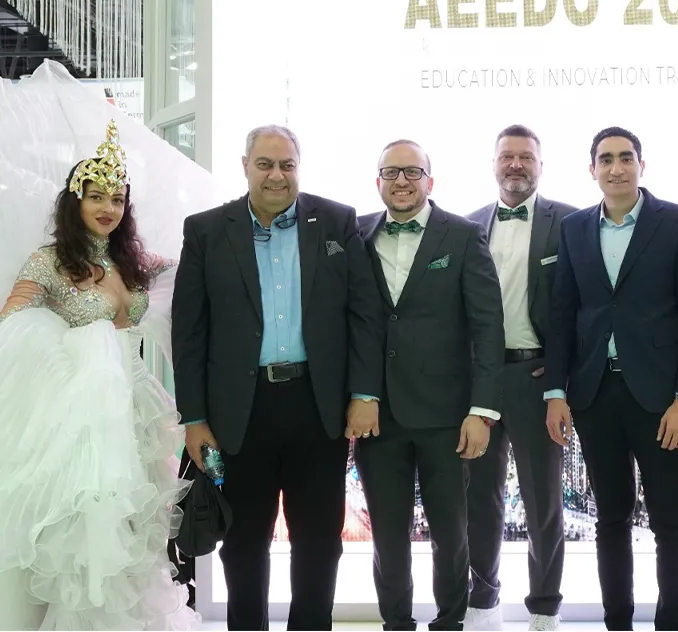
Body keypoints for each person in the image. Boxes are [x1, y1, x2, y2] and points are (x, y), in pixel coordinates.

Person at [171, 124, 386, 631]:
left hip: (318, 406)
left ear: (298, 168)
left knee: (320, 541)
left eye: (287, 165)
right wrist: (194, 418)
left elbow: (364, 314)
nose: (276, 175)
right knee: (243, 542)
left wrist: (364, 393)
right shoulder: (206, 230)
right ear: (245, 166)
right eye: (265, 164)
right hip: (239, 412)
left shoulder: (336, 221)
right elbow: (189, 332)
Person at [0, 117, 201, 629]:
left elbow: (191, 269)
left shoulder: (134, 261)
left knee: (131, 531)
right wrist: (73, 358)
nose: (108, 208)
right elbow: (11, 325)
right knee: (80, 533)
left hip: (135, 412)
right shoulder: (50, 261)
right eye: (96, 197)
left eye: (117, 199)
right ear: (75, 202)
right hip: (77, 421)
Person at [545, 126, 678, 631]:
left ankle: (671, 625)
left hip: (660, 399)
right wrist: (556, 391)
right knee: (610, 520)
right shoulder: (574, 227)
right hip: (595, 395)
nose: (615, 168)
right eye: (605, 159)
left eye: (625, 157)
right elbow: (562, 314)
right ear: (592, 169)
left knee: (670, 521)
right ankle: (617, 622)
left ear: (642, 164)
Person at [355, 139, 504, 631]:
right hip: (379, 415)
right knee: (387, 537)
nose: (401, 181)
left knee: (451, 533)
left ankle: (450, 622)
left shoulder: (462, 235)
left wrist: (482, 410)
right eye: (391, 172)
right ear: (378, 181)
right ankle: (396, 623)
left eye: (412, 172)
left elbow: (488, 327)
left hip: (448, 415)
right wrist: (358, 395)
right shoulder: (356, 235)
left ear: (430, 180)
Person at [464, 125, 577, 632]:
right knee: (478, 498)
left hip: (537, 378)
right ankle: (482, 601)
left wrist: (559, 377)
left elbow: (580, 306)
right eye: (507, 156)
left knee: (543, 502)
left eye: (525, 157)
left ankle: (545, 609)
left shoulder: (569, 222)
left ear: (540, 165)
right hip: (479, 381)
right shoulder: (468, 225)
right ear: (493, 164)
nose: (516, 164)